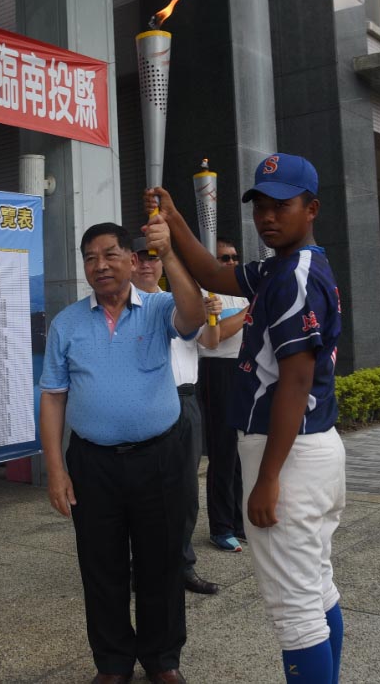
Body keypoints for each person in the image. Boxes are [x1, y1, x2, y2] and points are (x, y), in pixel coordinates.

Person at [146, 153, 347, 683]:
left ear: (312, 209)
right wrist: (175, 219)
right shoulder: (285, 266)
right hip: (311, 447)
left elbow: (295, 382)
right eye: (260, 204)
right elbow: (214, 271)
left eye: (282, 204)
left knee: (296, 613)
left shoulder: (294, 277)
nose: (268, 216)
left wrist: (268, 479)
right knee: (317, 589)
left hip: (291, 453)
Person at [40, 222, 205, 684]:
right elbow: (53, 396)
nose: (100, 266)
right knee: (101, 566)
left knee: (162, 563)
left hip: (160, 458)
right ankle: (113, 663)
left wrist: (170, 252)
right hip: (93, 464)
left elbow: (194, 315)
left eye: (110, 254)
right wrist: (56, 469)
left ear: (133, 261)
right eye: (90, 258)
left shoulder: (157, 308)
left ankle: (162, 659)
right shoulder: (67, 323)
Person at [130, 236, 220, 596]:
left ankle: (183, 565)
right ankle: (141, 567)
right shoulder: (125, 308)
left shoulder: (182, 303)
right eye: (140, 259)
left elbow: (210, 342)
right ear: (129, 263)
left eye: (154, 259)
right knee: (144, 491)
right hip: (148, 401)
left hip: (186, 402)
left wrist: (211, 313)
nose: (148, 265)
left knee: (184, 493)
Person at [196, 237, 250, 553]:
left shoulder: (242, 293)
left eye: (234, 258)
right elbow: (215, 338)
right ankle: (221, 526)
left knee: (244, 452)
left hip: (244, 370)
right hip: (216, 372)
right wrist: (253, 310)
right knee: (223, 452)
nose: (230, 263)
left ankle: (240, 521)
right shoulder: (204, 293)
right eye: (223, 258)